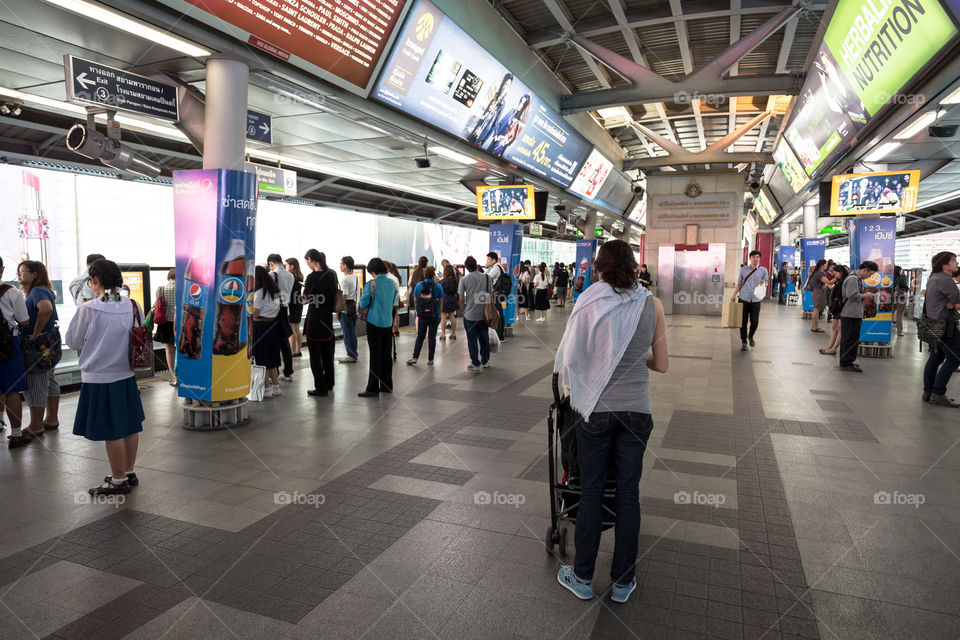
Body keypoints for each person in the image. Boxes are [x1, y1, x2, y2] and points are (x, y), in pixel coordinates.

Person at [554, 239, 668, 603]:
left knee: (591, 490)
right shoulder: (653, 304)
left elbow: (572, 357)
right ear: (635, 266)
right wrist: (636, 361)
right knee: (628, 494)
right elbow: (662, 364)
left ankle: (583, 578)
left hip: (597, 412)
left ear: (599, 268)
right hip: (638, 412)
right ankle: (622, 583)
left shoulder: (589, 300)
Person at [65, 259, 145, 495]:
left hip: (100, 377)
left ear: (95, 281)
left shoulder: (89, 309)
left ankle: (118, 480)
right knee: (130, 426)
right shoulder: (132, 305)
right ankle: (128, 471)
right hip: (127, 374)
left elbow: (73, 341)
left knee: (112, 430)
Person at [18, 260, 60, 435]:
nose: (19, 275)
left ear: (35, 274)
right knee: (49, 380)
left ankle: (36, 424)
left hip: (37, 346)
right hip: (48, 344)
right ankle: (51, 418)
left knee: (35, 382)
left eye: (23, 271)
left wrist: (35, 333)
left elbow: (46, 309)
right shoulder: (43, 290)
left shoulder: (37, 290)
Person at [921, 252, 960, 406]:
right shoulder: (946, 280)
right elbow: (957, 300)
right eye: (954, 260)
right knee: (955, 357)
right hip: (946, 326)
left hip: (933, 325)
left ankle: (928, 391)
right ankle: (938, 392)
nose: (957, 263)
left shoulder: (933, 278)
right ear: (945, 264)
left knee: (935, 357)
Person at [0, 256, 30, 448]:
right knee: (11, 389)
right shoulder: (10, 293)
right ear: (1, 270)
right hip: (7, 345)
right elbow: (24, 321)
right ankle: (17, 434)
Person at [358, 258, 397, 397]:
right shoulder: (392, 283)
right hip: (388, 322)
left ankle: (372, 388)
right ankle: (387, 385)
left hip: (374, 322)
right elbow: (394, 301)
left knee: (375, 356)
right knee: (386, 355)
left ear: (373, 271)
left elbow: (363, 303)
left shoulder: (371, 284)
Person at [303, 249, 337, 397]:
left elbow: (305, 299)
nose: (308, 265)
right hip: (327, 321)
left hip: (315, 321)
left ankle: (320, 387)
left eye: (307, 262)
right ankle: (329, 383)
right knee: (328, 354)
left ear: (311, 260)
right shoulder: (331, 275)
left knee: (315, 356)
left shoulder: (311, 277)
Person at [839, 261, 879, 372]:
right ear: (864, 270)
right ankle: (845, 362)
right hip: (850, 313)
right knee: (849, 339)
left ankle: (849, 360)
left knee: (852, 338)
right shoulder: (853, 279)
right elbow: (852, 295)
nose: (869, 277)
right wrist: (867, 295)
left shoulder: (856, 278)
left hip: (854, 313)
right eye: (870, 274)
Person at [251, 265, 282, 397]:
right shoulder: (275, 291)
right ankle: (276, 387)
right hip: (273, 326)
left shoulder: (259, 293)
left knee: (261, 359)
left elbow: (255, 314)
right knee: (272, 359)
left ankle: (267, 389)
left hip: (261, 327)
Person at [459, 256, 491, 371]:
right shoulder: (487, 277)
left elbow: (461, 299)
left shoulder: (464, 280)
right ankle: (485, 361)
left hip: (470, 315)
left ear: (467, 268)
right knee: (484, 338)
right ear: (477, 264)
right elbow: (490, 296)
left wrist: (464, 310)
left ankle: (475, 363)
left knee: (472, 340)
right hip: (484, 314)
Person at [731, 250, 768, 351]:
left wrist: (763, 282)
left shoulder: (763, 270)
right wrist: (734, 295)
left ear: (759, 258)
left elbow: (767, 283)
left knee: (755, 322)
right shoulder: (743, 270)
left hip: (756, 300)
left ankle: (750, 336)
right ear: (750, 258)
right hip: (743, 298)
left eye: (757, 257)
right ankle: (744, 342)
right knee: (742, 322)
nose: (755, 259)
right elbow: (739, 284)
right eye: (753, 257)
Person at [407, 266, 443, 366]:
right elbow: (440, 302)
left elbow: (415, 299)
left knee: (420, 337)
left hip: (422, 315)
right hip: (434, 315)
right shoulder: (438, 286)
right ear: (433, 275)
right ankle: (430, 359)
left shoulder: (419, 285)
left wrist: (417, 310)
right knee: (432, 337)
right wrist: (439, 313)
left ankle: (415, 357)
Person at [267, 254, 295, 381]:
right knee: (284, 342)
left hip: (274, 312)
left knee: (273, 343)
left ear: (271, 263)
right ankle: (288, 371)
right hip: (285, 310)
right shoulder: (291, 275)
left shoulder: (272, 275)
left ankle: (275, 372)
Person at [153, 268, 177, 386]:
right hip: (180, 322)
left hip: (165, 323)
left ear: (169, 277)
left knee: (169, 350)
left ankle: (175, 377)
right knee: (183, 350)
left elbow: (156, 305)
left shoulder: (161, 289)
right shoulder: (182, 289)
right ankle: (185, 375)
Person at [820, 264, 848, 356]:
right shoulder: (839, 281)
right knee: (834, 328)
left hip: (842, 307)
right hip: (836, 307)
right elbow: (830, 283)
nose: (834, 276)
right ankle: (830, 347)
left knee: (840, 329)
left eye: (836, 274)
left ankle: (834, 348)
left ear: (841, 273)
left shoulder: (845, 281)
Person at [337, 256, 360, 364]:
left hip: (346, 310)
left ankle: (351, 355)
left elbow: (344, 296)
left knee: (347, 333)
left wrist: (338, 311)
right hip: (353, 308)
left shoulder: (345, 279)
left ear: (345, 265)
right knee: (352, 332)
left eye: (341, 264)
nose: (340, 266)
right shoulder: (355, 277)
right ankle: (354, 354)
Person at [285, 258, 304, 357]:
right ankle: (298, 350)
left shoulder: (290, 276)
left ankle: (292, 352)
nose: (285, 267)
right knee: (297, 328)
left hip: (291, 303)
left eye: (286, 265)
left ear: (292, 266)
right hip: (298, 303)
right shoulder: (300, 276)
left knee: (291, 329)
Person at [485, 252, 507, 340]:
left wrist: (487, 267)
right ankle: (500, 334)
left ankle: (499, 335)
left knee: (497, 313)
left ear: (493, 260)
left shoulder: (496, 268)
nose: (487, 261)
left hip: (496, 294)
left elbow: (487, 278)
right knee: (499, 312)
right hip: (499, 293)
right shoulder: (498, 267)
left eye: (488, 259)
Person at [439, 264, 459, 340]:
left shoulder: (443, 281)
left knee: (443, 316)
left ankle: (443, 334)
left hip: (444, 299)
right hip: (453, 299)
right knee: (452, 316)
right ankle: (453, 334)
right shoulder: (455, 281)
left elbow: (440, 290)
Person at [808, 259, 828, 332]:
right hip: (818, 293)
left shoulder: (815, 273)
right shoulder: (820, 273)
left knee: (816, 310)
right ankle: (814, 327)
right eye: (826, 264)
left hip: (815, 292)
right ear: (822, 265)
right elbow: (827, 282)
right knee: (816, 310)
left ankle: (814, 326)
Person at [893, 265, 909, 337]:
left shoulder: (891, 279)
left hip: (891, 298)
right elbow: (907, 288)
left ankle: (885, 330)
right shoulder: (900, 279)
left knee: (889, 315)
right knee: (899, 315)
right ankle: (899, 332)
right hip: (901, 299)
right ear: (899, 271)